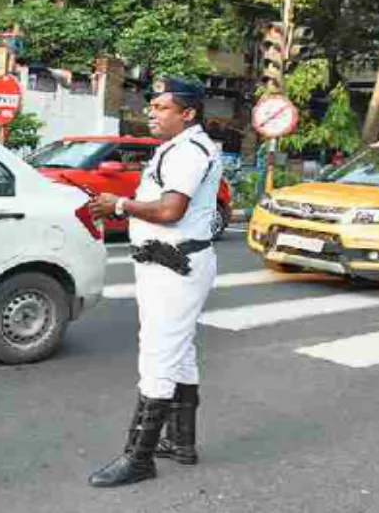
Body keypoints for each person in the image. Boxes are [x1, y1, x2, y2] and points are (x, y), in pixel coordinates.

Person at [85, 76, 222, 487]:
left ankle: (138, 457)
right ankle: (181, 443)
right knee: (180, 355)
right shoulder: (178, 147)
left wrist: (119, 204)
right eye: (153, 106)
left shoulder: (190, 151)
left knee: (158, 358)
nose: (152, 113)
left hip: (174, 266)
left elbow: (170, 211)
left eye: (162, 107)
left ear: (188, 113)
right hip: (169, 264)